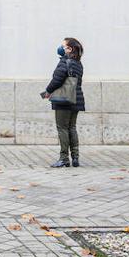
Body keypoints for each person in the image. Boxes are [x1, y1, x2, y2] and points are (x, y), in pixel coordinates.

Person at [42, 37, 86, 168]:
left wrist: (48, 91)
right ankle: (75, 157)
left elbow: (57, 79)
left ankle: (64, 158)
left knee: (62, 128)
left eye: (63, 46)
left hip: (64, 100)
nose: (61, 48)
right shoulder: (78, 63)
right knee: (72, 127)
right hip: (76, 99)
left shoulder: (64, 61)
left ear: (69, 49)